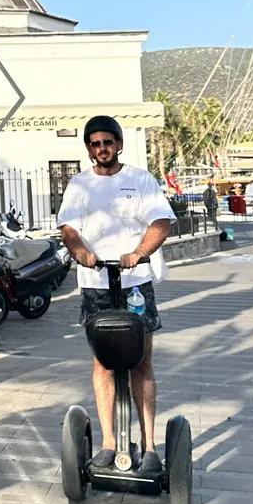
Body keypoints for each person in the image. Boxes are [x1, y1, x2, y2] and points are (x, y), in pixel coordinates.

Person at [56, 116, 176, 476]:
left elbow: (161, 222)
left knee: (142, 362)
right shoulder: (79, 185)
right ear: (88, 149)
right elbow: (69, 229)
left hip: (135, 281)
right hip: (96, 284)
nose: (101, 149)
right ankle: (109, 442)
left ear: (119, 144)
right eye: (94, 144)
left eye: (107, 142)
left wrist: (139, 252)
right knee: (102, 364)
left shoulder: (140, 180)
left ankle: (151, 445)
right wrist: (81, 253)